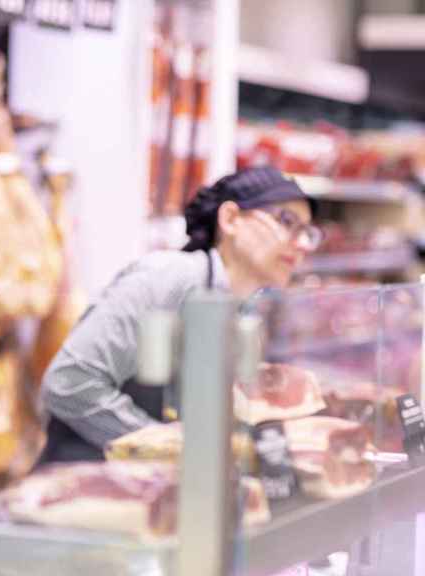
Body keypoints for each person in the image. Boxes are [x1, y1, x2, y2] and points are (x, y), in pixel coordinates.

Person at [36, 166, 321, 465]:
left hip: (158, 494)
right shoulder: (169, 278)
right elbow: (68, 382)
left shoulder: (243, 309)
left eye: (308, 233)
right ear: (231, 219)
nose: (302, 245)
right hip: (84, 488)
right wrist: (162, 448)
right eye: (287, 221)